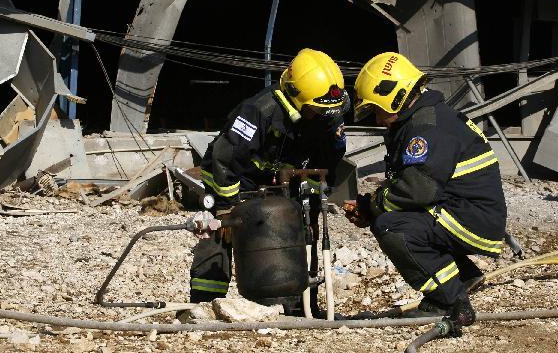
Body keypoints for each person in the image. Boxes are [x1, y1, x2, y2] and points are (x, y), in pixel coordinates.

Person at [346, 52, 507, 333]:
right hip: (468, 213)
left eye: (376, 109)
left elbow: (416, 190)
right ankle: (463, 276)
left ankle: (450, 300)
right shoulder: (423, 118)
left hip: (471, 219)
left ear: (393, 97)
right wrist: (370, 205)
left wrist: (372, 206)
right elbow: (413, 183)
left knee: (392, 226)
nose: (378, 119)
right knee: (390, 216)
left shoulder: (426, 126)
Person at [190, 48, 348, 302]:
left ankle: (295, 302)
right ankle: (204, 302)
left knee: (298, 232)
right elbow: (225, 159)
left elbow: (329, 156)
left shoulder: (325, 115)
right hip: (233, 180)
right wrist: (228, 207)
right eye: (313, 111)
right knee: (220, 233)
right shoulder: (258, 112)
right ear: (295, 95)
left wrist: (310, 197)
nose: (319, 116)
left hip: (283, 182)